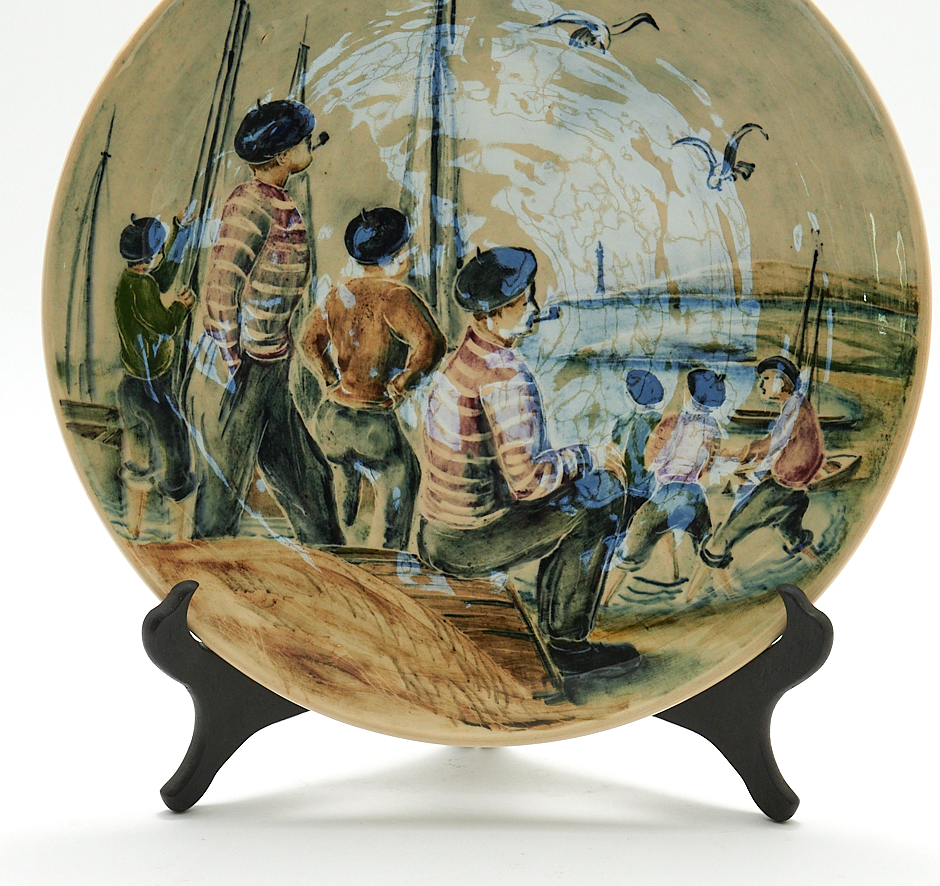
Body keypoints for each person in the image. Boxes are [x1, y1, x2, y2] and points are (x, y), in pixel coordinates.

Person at [416, 247, 638, 686]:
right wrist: (590, 455)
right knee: (604, 497)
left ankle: (554, 616)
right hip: (468, 542)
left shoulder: (462, 360)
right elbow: (527, 482)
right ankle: (567, 645)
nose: (535, 308)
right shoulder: (507, 376)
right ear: (491, 316)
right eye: (523, 303)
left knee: (577, 489)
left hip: (435, 531)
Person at [190, 99, 340, 545]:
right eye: (304, 140)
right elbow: (222, 286)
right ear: (282, 155)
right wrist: (233, 360)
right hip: (242, 365)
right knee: (223, 483)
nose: (310, 144)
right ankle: (202, 568)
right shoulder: (250, 202)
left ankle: (329, 555)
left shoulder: (281, 201)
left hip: (270, 361)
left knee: (306, 476)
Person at [301, 208, 445, 550]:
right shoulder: (396, 297)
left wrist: (329, 378)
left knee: (341, 484)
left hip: (332, 418)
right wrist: (404, 383)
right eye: (407, 248)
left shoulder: (338, 294)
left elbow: (308, 341)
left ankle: (337, 551)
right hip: (373, 422)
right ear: (395, 256)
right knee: (402, 475)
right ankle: (387, 557)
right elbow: (432, 344)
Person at [114, 213, 197, 538]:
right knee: (176, 457)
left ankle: (133, 530)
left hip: (130, 388)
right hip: (153, 390)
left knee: (138, 462)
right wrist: (181, 307)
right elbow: (164, 325)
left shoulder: (132, 281)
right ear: (152, 254)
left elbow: (161, 277)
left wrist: (182, 231)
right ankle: (179, 539)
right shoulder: (143, 288)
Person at [698, 355, 823, 568]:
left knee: (731, 529)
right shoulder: (798, 404)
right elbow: (780, 442)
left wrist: (744, 452)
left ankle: (713, 563)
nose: (761, 385)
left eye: (766, 379)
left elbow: (774, 442)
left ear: (781, 382)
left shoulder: (794, 408)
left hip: (784, 487)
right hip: (796, 489)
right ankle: (816, 562)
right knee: (791, 533)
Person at [608, 368, 724, 582]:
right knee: (699, 541)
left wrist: (655, 468)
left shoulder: (666, 422)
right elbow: (708, 463)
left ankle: (609, 588)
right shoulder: (711, 426)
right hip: (687, 491)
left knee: (632, 542)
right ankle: (686, 578)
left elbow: (654, 456)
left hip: (652, 489)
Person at [610, 368, 664, 523]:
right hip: (651, 489)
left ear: (630, 396)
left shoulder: (622, 422)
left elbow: (615, 453)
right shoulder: (662, 422)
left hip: (625, 487)